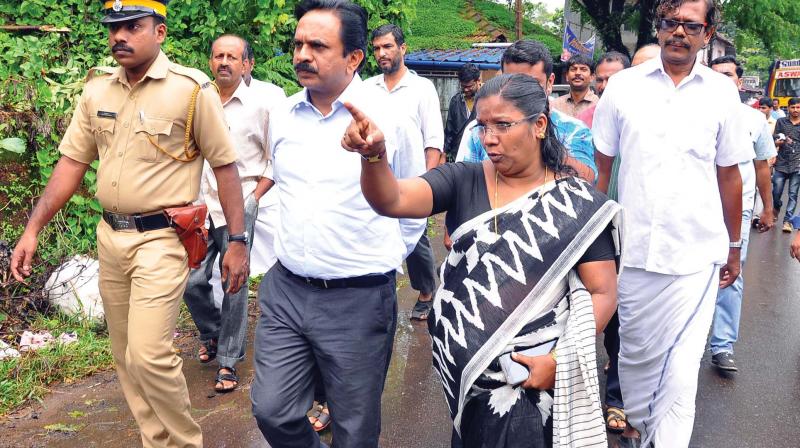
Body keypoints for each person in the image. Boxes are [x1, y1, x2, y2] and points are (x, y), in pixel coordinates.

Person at [9, 2, 248, 446]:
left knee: (149, 354)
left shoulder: (192, 91)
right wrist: (33, 228)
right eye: (114, 28)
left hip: (162, 238)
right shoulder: (97, 91)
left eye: (132, 27)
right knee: (124, 355)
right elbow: (70, 164)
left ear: (159, 32)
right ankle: (154, 440)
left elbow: (226, 167)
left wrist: (237, 241)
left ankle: (183, 442)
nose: (120, 36)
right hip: (110, 237)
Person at [342, 73, 620, 447]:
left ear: (539, 125)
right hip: (468, 380)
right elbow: (391, 200)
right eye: (482, 126)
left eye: (503, 125)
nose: (488, 138)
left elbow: (603, 292)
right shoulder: (463, 180)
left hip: (534, 381)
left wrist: (557, 362)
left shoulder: (576, 204)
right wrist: (374, 157)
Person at [249, 1, 418, 447]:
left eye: (318, 46)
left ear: (354, 58)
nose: (302, 54)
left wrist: (384, 259)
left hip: (357, 299)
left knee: (354, 427)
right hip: (287, 290)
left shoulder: (390, 118)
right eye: (298, 44)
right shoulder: (283, 115)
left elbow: (412, 200)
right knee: (272, 409)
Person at [592, 0, 753, 446]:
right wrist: (592, 242)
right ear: (658, 27)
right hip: (633, 253)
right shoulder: (622, 88)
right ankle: (644, 433)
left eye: (691, 25)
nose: (679, 32)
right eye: (670, 23)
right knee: (636, 367)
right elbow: (603, 171)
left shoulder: (722, 94)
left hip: (695, 258)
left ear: (708, 31)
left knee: (681, 376)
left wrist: (734, 247)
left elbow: (729, 176)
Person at [183, 34, 280, 393]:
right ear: (210, 61)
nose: (223, 62)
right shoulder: (197, 101)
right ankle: (212, 333)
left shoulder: (261, 106)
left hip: (240, 204)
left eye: (232, 57)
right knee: (191, 282)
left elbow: (275, 159)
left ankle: (228, 361)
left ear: (247, 65)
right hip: (199, 206)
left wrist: (255, 196)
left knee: (234, 283)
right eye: (217, 55)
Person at [367, 24, 442, 320]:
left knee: (415, 239)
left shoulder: (421, 88)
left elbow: (433, 138)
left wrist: (428, 184)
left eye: (387, 46)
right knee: (375, 233)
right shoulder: (367, 88)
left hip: (411, 181)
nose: (381, 53)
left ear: (403, 48)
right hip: (374, 177)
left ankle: (426, 290)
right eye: (376, 48)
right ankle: (377, 299)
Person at [708, 55, 776, 373]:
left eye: (728, 76)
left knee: (730, 275)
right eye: (715, 74)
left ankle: (722, 347)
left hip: (739, 210)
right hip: (697, 208)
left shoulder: (754, 121)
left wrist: (769, 208)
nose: (721, 80)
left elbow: (762, 166)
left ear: (739, 82)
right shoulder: (695, 115)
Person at [574, 50, 630, 434]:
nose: (606, 87)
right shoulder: (579, 122)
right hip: (585, 229)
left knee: (620, 324)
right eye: (602, 79)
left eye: (615, 80)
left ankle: (616, 398)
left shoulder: (640, 120)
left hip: (627, 230)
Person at [455, 40, 597, 182]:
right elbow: (466, 184)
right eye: (512, 84)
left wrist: (548, 146)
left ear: (550, 82)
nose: (521, 94)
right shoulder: (479, 131)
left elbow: (588, 180)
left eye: (533, 84)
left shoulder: (573, 130)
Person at [772, 97, 800, 232]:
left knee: (793, 194)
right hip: (781, 162)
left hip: (797, 164)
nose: (795, 110)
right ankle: (776, 207)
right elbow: (775, 140)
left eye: (798, 107)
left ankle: (787, 221)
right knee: (776, 192)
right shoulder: (781, 122)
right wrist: (780, 142)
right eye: (793, 107)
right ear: (788, 108)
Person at [444, 63, 480, 161]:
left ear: (478, 81)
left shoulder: (486, 99)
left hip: (479, 154)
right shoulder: (455, 101)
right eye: (463, 86)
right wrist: (444, 153)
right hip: (458, 154)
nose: (466, 89)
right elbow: (449, 130)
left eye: (469, 86)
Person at [551, 53, 598, 118]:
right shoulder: (555, 105)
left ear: (592, 77)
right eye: (573, 69)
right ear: (567, 76)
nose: (577, 73)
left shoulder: (599, 105)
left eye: (583, 69)